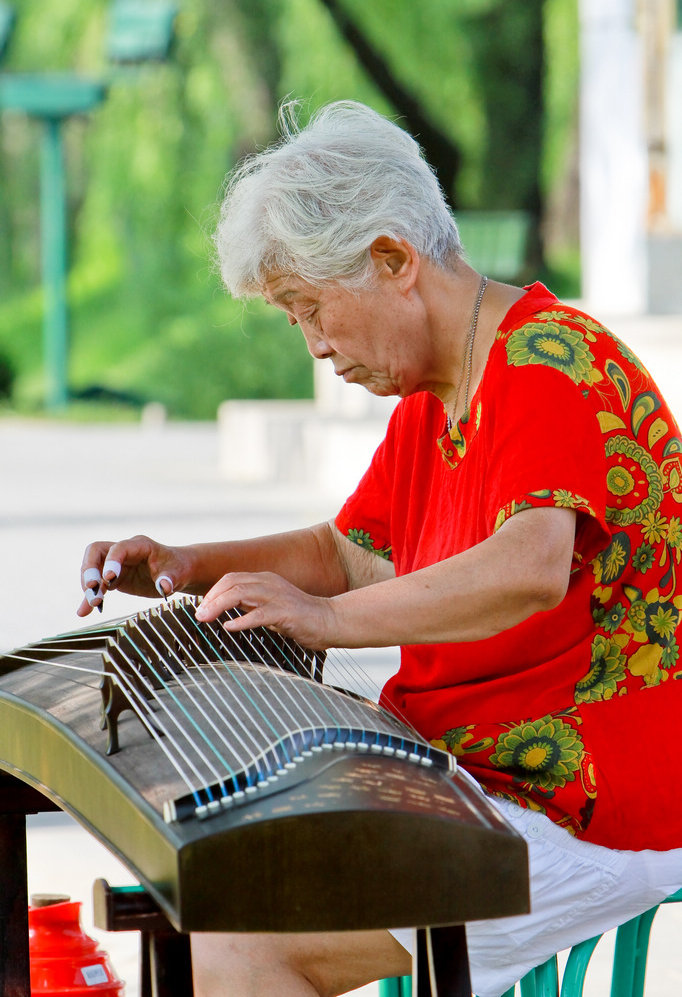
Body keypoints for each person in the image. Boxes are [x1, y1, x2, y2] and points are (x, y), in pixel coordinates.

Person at [78, 101, 682, 997]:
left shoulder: (552, 364)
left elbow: (529, 566)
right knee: (221, 875)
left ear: (394, 260)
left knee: (244, 945)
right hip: (477, 784)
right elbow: (351, 551)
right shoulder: (439, 396)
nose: (316, 345)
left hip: (589, 811)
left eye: (311, 309)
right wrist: (180, 563)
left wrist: (327, 621)